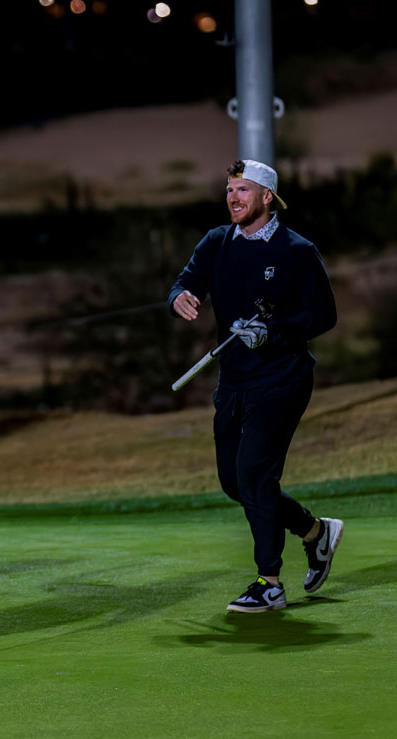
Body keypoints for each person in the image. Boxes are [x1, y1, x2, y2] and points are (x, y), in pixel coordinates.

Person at [168, 159, 342, 613]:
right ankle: (315, 532)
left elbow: (323, 314)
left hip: (282, 378)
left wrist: (276, 330)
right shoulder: (216, 243)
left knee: (255, 475)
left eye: (243, 190)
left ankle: (269, 582)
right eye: (229, 189)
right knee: (234, 482)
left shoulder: (296, 249)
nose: (233, 197)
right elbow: (186, 281)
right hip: (235, 380)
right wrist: (179, 296)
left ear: (267, 197)